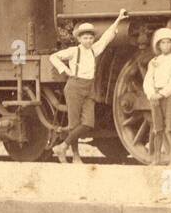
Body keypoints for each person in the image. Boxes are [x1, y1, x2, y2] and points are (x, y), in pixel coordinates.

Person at [49, 12, 128, 162]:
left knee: (88, 123)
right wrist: (65, 70)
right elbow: (53, 57)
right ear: (79, 39)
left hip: (89, 88)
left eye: (91, 38)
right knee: (74, 124)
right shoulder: (73, 51)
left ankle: (62, 147)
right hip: (74, 87)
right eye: (85, 38)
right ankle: (76, 156)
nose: (88, 40)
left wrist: (118, 19)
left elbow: (107, 37)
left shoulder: (94, 49)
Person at [144, 27, 171, 166]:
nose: (166, 45)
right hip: (155, 97)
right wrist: (151, 94)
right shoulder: (153, 62)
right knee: (157, 129)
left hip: (169, 96)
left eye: (168, 43)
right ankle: (156, 159)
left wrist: (162, 94)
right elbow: (148, 80)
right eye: (163, 43)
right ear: (158, 45)